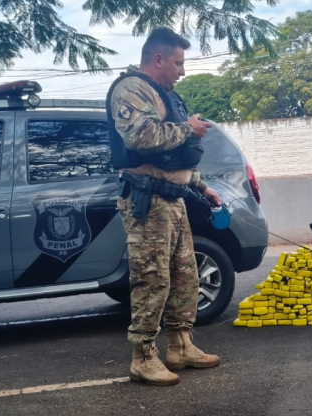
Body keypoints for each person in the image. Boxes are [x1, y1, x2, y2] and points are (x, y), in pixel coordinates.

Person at [106, 28, 222, 386]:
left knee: (185, 277)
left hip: (173, 199)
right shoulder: (132, 89)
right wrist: (187, 129)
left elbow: (174, 159)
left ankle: (180, 345)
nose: (182, 71)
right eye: (178, 62)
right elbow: (141, 137)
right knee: (152, 280)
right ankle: (143, 356)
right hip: (147, 201)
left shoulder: (163, 95)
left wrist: (202, 185)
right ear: (158, 60)